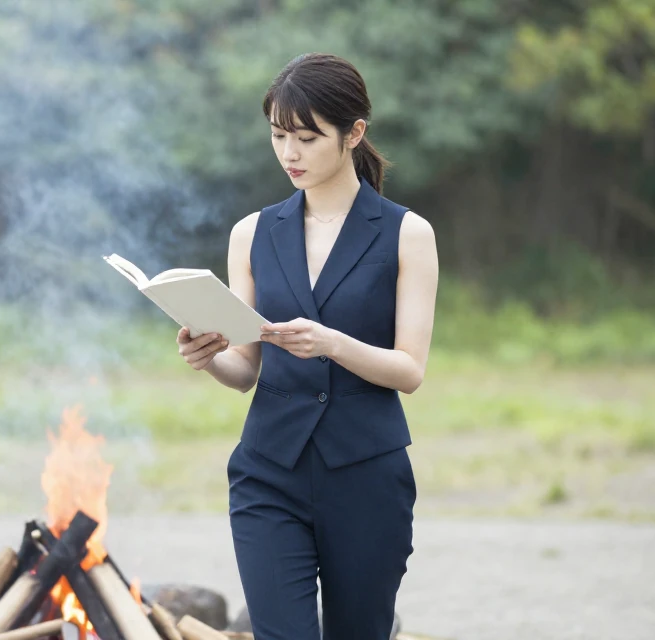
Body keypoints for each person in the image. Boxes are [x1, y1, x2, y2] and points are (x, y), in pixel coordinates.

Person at [175, 53, 439, 639]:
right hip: (269, 472)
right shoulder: (252, 232)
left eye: (306, 137)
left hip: (367, 477)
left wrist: (333, 344)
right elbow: (245, 368)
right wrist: (207, 355)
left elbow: (409, 370)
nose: (288, 154)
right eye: (277, 136)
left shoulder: (407, 233)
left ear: (354, 133)